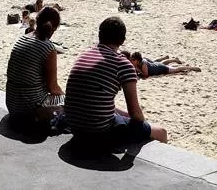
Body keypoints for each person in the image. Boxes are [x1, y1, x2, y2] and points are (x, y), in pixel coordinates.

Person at [64, 16, 168, 146]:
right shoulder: (122, 64)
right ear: (122, 40)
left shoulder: (83, 56)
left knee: (118, 112)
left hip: (74, 126)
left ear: (100, 35)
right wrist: (143, 124)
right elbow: (135, 113)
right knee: (161, 132)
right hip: (98, 133)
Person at [5, 7, 65, 129]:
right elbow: (53, 87)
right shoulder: (48, 48)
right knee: (70, 102)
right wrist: (63, 95)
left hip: (12, 103)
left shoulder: (22, 39)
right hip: (30, 109)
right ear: (54, 28)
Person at [123, 51, 201, 76]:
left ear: (137, 60)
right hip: (157, 66)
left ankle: (191, 68)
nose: (132, 61)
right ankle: (174, 60)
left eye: (133, 60)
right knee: (164, 64)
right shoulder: (140, 62)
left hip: (161, 68)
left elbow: (146, 75)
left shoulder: (143, 64)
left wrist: (137, 70)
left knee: (176, 69)